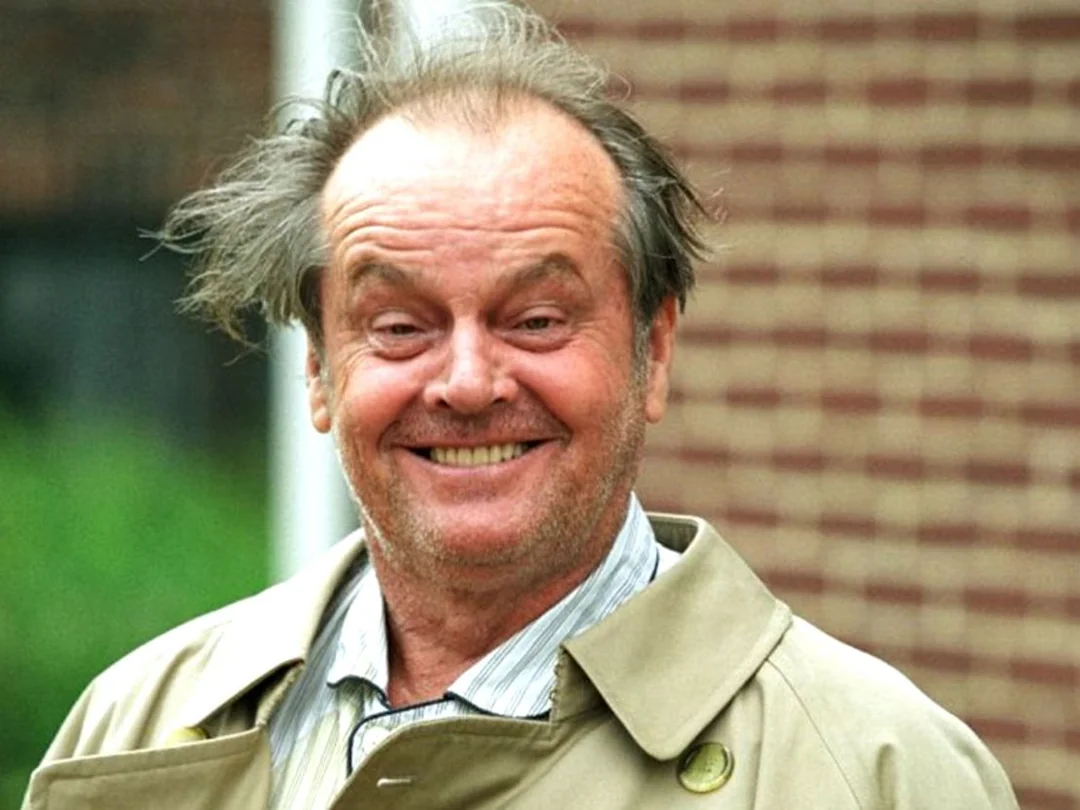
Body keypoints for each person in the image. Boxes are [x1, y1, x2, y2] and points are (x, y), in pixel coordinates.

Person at [24, 4, 1019, 809]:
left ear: (654, 351)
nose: (467, 382)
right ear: (320, 371)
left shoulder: (879, 774)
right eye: (399, 326)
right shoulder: (133, 728)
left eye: (537, 320)